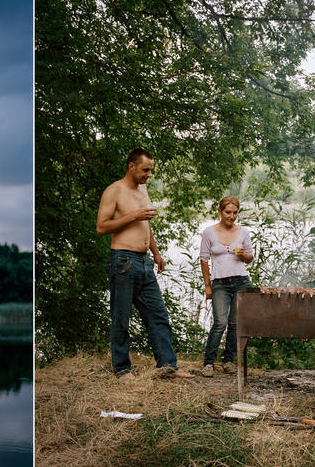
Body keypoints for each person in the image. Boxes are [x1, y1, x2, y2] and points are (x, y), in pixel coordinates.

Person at [96, 148, 194, 381]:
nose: (149, 174)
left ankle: (168, 366)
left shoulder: (143, 189)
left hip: (144, 261)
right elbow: (101, 227)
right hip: (122, 260)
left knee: (158, 314)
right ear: (131, 166)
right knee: (121, 317)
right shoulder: (114, 191)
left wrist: (157, 254)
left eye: (151, 170)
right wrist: (134, 216)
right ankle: (122, 369)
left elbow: (145, 225)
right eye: (145, 170)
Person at [199, 196, 255, 377]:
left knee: (234, 323)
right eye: (228, 212)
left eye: (235, 213)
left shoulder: (243, 232)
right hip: (220, 284)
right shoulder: (209, 232)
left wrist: (242, 254)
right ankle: (208, 363)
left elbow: (250, 258)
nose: (231, 216)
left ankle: (228, 361)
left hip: (241, 281)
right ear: (220, 211)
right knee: (220, 323)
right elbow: (204, 260)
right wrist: (208, 286)